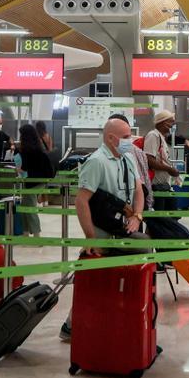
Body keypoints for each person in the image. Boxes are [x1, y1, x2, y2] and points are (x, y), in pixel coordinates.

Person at [60, 117, 147, 341]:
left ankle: (110, 322)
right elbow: (81, 201)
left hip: (121, 228)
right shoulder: (96, 161)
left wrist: (137, 216)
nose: (131, 141)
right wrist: (90, 238)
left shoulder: (127, 158)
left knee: (107, 279)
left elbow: (138, 190)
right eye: (127, 137)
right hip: (101, 233)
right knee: (93, 282)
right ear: (111, 138)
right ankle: (72, 326)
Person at [16, 123, 55, 237]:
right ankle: (26, 232)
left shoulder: (28, 150)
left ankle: (36, 234)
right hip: (38, 180)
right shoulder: (37, 147)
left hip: (34, 181)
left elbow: (26, 167)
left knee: (29, 206)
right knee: (25, 205)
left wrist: (19, 169)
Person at [144, 110, 181, 212]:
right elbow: (149, 159)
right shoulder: (153, 135)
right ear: (162, 122)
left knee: (172, 215)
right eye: (171, 122)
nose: (173, 125)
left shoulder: (162, 137)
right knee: (160, 219)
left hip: (164, 185)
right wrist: (169, 169)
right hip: (156, 186)